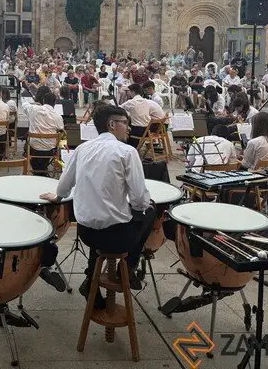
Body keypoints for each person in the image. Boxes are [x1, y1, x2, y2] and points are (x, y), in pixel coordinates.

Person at [42, 105, 154, 306]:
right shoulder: (127, 152)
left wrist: (57, 197)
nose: (129, 128)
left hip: (87, 234)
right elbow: (139, 200)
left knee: (102, 216)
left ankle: (90, 279)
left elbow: (64, 187)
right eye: (125, 123)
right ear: (112, 124)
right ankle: (128, 268)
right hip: (118, 238)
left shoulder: (82, 149)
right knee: (150, 209)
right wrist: (138, 205)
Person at [26, 91, 64, 175]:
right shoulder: (57, 116)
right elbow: (61, 131)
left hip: (34, 148)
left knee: (28, 143)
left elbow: (25, 105)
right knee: (61, 138)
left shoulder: (34, 109)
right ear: (54, 103)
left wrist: (36, 103)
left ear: (43, 100)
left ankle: (40, 172)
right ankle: (42, 172)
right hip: (50, 150)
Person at [120, 83, 165, 148]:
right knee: (132, 123)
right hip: (147, 130)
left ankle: (128, 147)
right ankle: (134, 147)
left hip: (139, 131)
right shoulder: (146, 101)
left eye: (129, 92)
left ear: (133, 92)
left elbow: (119, 108)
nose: (129, 94)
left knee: (125, 128)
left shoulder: (132, 102)